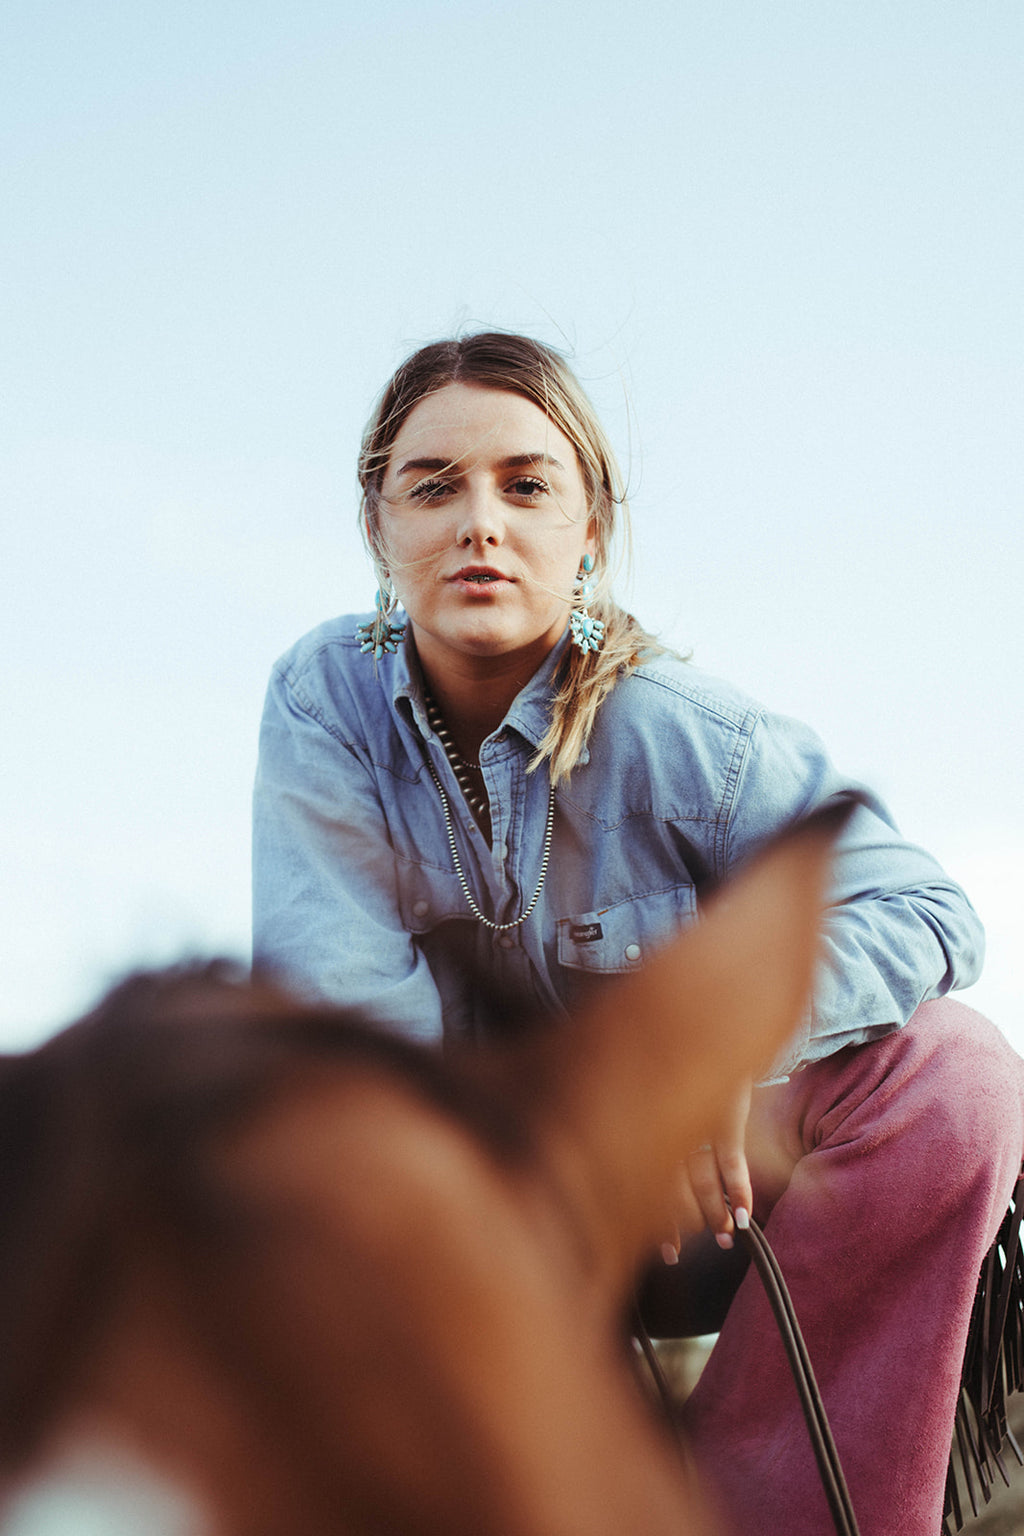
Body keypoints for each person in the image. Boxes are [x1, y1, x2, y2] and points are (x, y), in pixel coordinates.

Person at [252, 331, 1024, 1536]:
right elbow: (345, 1020)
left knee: (955, 1073)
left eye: (525, 485)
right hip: (474, 1215)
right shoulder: (326, 703)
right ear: (376, 525)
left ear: (590, 528)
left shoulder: (689, 735)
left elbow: (924, 908)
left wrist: (709, 1056)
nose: (479, 524)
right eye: (433, 485)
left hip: (706, 1201)